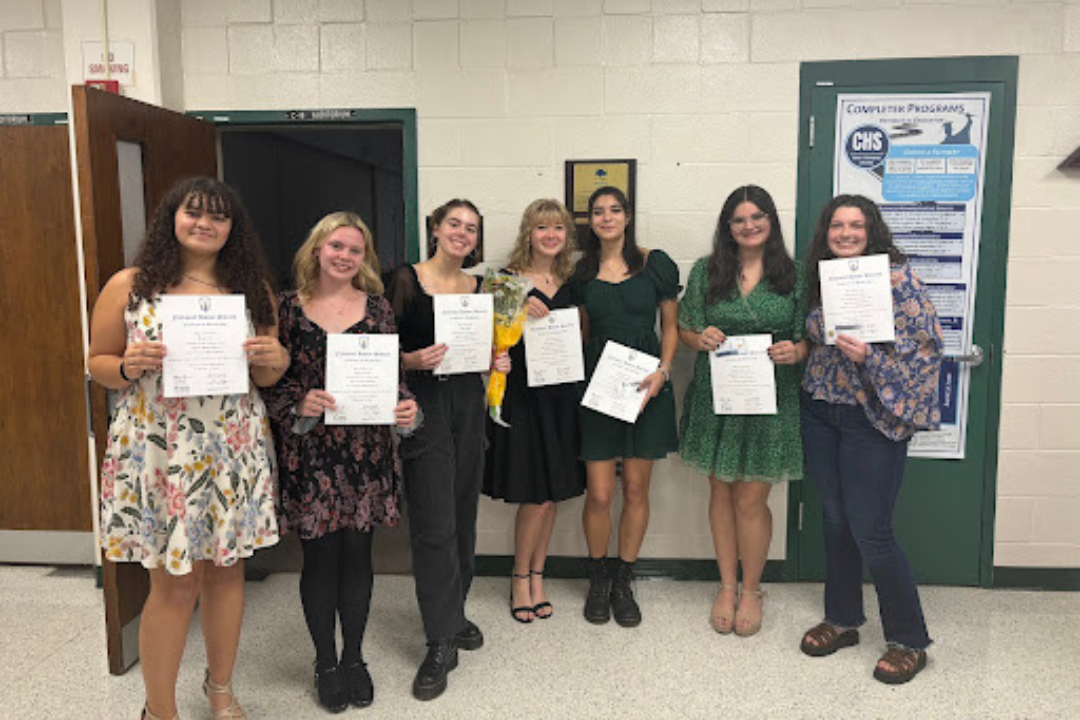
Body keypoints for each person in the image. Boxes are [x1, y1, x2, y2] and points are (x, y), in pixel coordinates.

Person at [88, 177, 286, 720]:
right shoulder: (129, 285)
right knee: (174, 584)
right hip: (160, 449)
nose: (205, 223)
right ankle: (160, 709)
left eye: (218, 216)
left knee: (225, 574)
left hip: (230, 447)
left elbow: (272, 373)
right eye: (193, 212)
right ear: (170, 218)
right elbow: (98, 364)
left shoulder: (250, 287)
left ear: (232, 228)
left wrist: (272, 355)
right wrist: (128, 365)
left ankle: (219, 689)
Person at [261, 212, 418, 712]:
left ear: (364, 258)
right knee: (320, 560)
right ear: (317, 250)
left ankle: (354, 657)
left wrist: (406, 409)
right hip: (312, 455)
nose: (346, 256)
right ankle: (324, 661)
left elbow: (390, 376)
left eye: (355, 250)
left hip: (366, 452)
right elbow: (268, 383)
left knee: (358, 556)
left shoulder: (377, 309)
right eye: (337, 247)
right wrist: (298, 404)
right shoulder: (285, 308)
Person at [798, 194, 943, 685]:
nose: (845, 234)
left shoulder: (900, 280)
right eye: (836, 225)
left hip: (872, 419)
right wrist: (824, 326)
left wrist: (871, 359)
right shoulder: (825, 273)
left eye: (855, 226)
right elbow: (814, 326)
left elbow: (927, 351)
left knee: (872, 532)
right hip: (822, 409)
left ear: (871, 230)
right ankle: (843, 621)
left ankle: (909, 641)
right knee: (836, 520)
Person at [386, 199, 510, 701]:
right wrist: (409, 359)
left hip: (467, 404)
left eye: (471, 228)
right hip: (424, 406)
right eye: (453, 224)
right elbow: (370, 346)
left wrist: (494, 360)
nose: (461, 233)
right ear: (435, 228)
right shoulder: (404, 281)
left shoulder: (482, 290)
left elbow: (482, 351)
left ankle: (453, 615)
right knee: (434, 525)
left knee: (462, 517)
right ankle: (438, 641)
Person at [677, 185, 807, 637]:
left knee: (752, 497)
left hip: (773, 397)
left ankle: (752, 589)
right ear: (727, 227)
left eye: (758, 217)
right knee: (721, 491)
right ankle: (726, 585)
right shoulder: (705, 271)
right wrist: (700, 339)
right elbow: (686, 328)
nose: (749, 226)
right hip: (719, 396)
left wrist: (799, 349)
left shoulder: (795, 274)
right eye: (739, 219)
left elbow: (809, 336)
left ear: (771, 222)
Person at [568, 186, 680, 628]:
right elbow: (578, 334)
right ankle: (598, 577)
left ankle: (623, 580)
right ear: (590, 220)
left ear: (628, 216)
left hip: (645, 385)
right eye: (599, 211)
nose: (607, 217)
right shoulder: (581, 270)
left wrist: (664, 371)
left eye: (615, 210)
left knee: (636, 490)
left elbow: (670, 325)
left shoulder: (656, 264)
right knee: (599, 493)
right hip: (598, 386)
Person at [483, 199, 586, 624]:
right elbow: (487, 341)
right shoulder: (504, 281)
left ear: (566, 236)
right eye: (541, 227)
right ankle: (519, 576)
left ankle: (538, 574)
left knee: (553, 493)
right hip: (524, 394)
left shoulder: (572, 279)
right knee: (533, 493)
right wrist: (520, 312)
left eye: (557, 228)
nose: (550, 235)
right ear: (528, 232)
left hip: (563, 393)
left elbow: (583, 334)